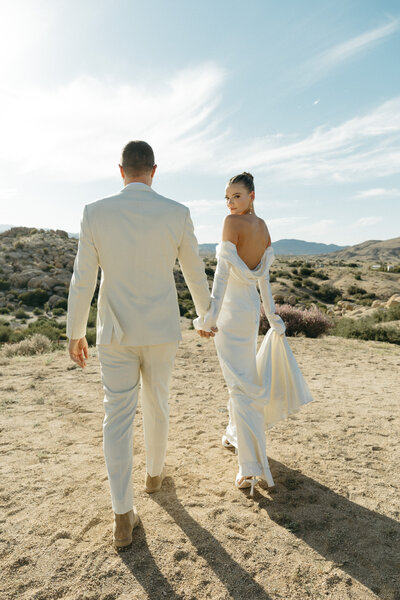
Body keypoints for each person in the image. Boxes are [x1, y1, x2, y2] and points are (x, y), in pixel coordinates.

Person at [67, 141, 214, 549]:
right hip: (163, 329)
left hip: (115, 332)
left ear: (121, 171)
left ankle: (121, 515)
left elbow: (83, 279)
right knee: (158, 402)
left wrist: (75, 331)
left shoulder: (95, 212)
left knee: (116, 417)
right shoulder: (177, 212)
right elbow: (194, 271)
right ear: (153, 170)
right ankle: (154, 475)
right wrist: (206, 316)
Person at [194, 172, 313, 496]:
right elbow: (263, 281)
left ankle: (250, 468)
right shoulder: (264, 229)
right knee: (242, 378)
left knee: (240, 386)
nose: (231, 203)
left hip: (231, 316)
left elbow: (220, 277)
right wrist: (272, 316)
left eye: (236, 196)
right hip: (249, 314)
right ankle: (235, 434)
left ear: (252, 196)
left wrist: (208, 319)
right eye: (227, 198)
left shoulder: (231, 224)